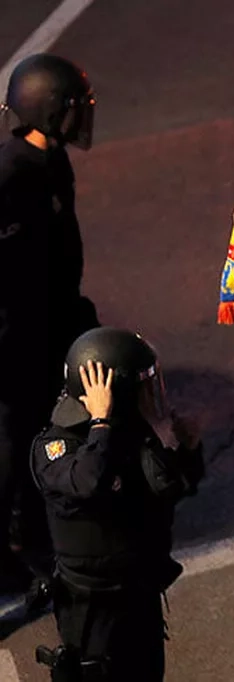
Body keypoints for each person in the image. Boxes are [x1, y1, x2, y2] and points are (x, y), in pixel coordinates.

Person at [31, 328, 203, 681]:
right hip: (94, 612)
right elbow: (88, 482)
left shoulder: (130, 434)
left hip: (139, 594)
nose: (150, 396)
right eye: (142, 388)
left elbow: (170, 488)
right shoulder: (57, 448)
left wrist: (181, 447)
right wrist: (101, 423)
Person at [0, 53, 100, 595]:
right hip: (14, 339)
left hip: (51, 324)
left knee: (49, 429)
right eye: (75, 106)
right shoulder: (11, 174)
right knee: (11, 445)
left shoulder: (53, 161)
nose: (84, 116)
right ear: (48, 108)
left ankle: (38, 531)